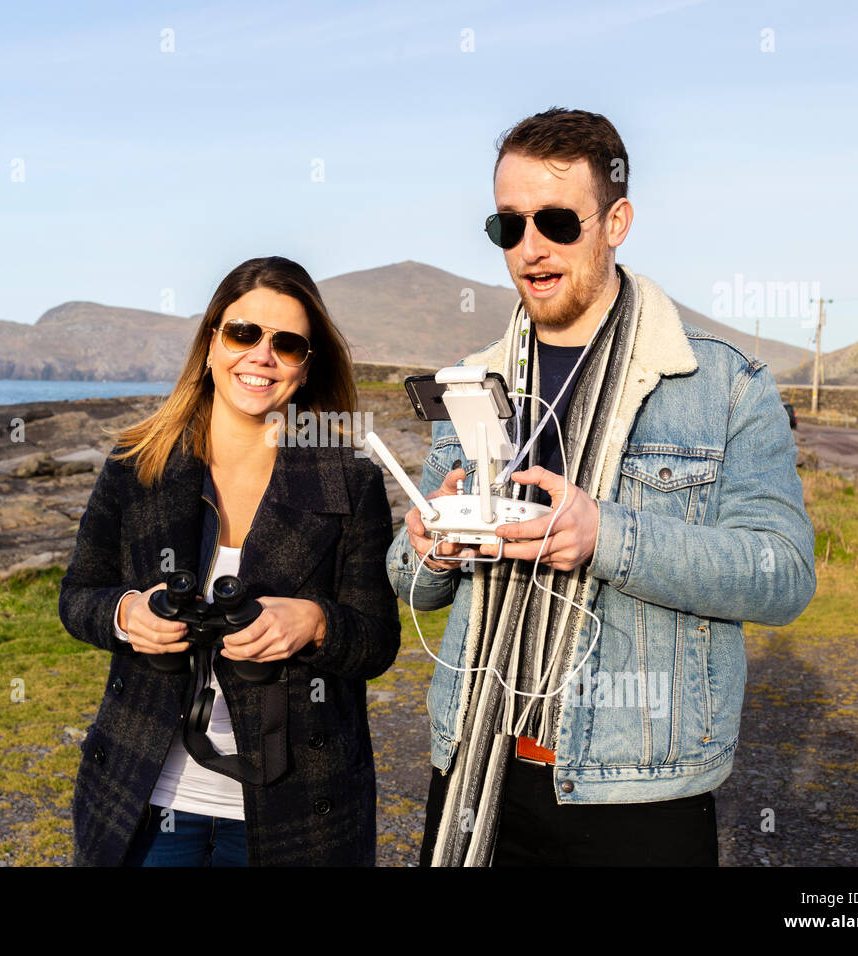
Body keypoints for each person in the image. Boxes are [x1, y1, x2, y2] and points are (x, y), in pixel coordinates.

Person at [385, 108, 817, 866]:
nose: (531, 248)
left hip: (636, 794)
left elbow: (781, 573)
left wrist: (605, 536)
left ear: (616, 221)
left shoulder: (722, 386)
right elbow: (409, 583)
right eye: (507, 226)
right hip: (475, 773)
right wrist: (432, 545)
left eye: (556, 220)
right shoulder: (474, 379)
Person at [60, 255, 400, 866]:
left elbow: (376, 642)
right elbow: (78, 595)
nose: (261, 357)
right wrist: (126, 612)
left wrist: (316, 623)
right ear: (212, 341)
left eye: (287, 344)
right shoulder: (136, 466)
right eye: (243, 333)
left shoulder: (350, 482)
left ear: (306, 364)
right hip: (150, 799)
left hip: (299, 808)